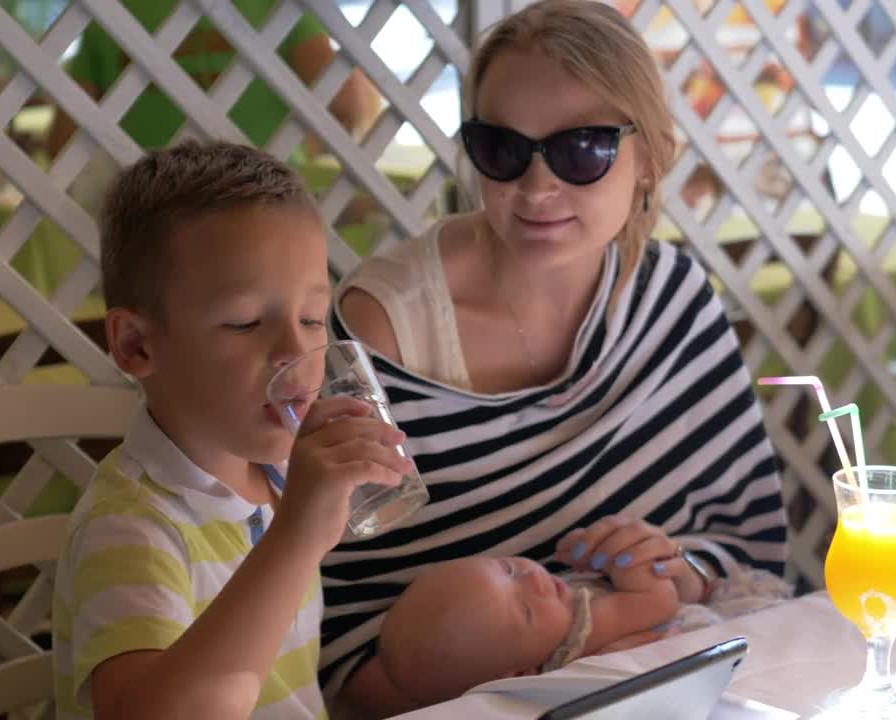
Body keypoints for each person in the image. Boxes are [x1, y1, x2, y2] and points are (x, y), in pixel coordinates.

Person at [321, 2, 789, 716]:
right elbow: (337, 618)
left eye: (582, 151)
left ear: (649, 157)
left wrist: (668, 569)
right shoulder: (384, 331)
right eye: (502, 150)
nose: (537, 191)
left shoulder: (670, 297)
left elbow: (746, 541)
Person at [51, 140, 414, 719]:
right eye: (245, 322)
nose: (297, 350)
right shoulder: (131, 529)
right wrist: (295, 539)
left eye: (313, 318)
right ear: (135, 345)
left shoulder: (278, 474)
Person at [377, 542, 793, 710]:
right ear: (520, 673)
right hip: (725, 640)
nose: (535, 579)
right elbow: (658, 601)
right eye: (525, 610)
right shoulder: (581, 635)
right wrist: (622, 564)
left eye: (507, 569)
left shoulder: (547, 642)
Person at [45, 0, 381, 158]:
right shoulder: (277, 6)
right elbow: (351, 106)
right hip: (264, 204)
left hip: (147, 219)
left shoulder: (109, 11)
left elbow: (62, 142)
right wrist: (296, 145)